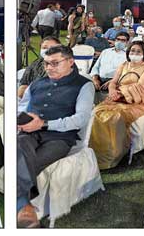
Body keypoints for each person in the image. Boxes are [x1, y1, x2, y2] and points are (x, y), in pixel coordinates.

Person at [16, 45, 93, 228]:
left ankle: (21, 206)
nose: (49, 68)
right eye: (47, 64)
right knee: (19, 147)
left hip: (60, 138)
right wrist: (20, 119)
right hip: (28, 132)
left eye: (55, 63)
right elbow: (21, 107)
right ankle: (24, 207)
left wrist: (44, 123)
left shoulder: (84, 85)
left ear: (70, 62)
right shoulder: (36, 84)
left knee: (27, 161)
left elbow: (80, 119)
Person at [89, 41, 144, 169]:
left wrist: (122, 93)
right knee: (96, 112)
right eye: (132, 51)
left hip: (136, 102)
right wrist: (112, 91)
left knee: (114, 117)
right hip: (117, 98)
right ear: (128, 53)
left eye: (138, 51)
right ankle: (95, 152)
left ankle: (113, 155)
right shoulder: (124, 65)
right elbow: (114, 82)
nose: (135, 53)